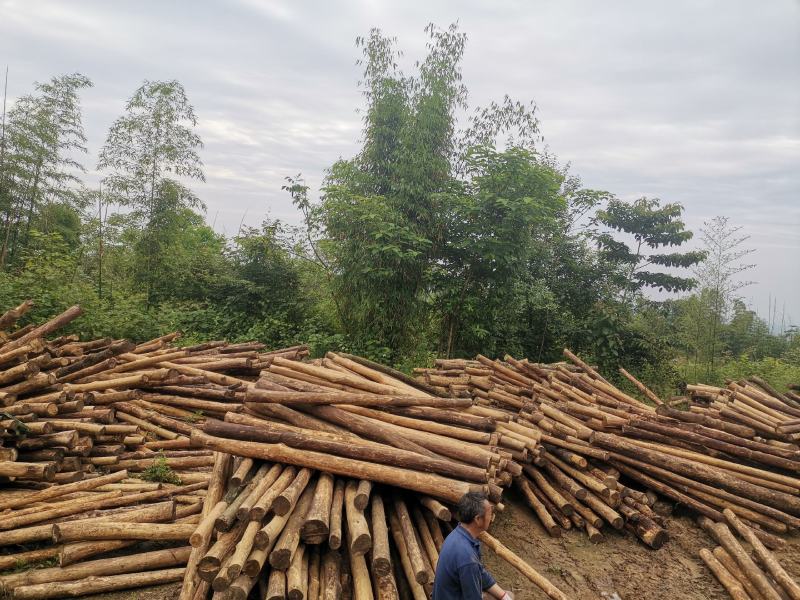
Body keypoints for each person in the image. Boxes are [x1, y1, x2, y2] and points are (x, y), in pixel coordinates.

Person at [432, 491, 513, 600]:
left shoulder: (458, 535)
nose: (492, 516)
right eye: (489, 513)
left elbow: (480, 573)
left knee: (508, 595)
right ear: (478, 519)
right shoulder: (467, 558)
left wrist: (504, 596)